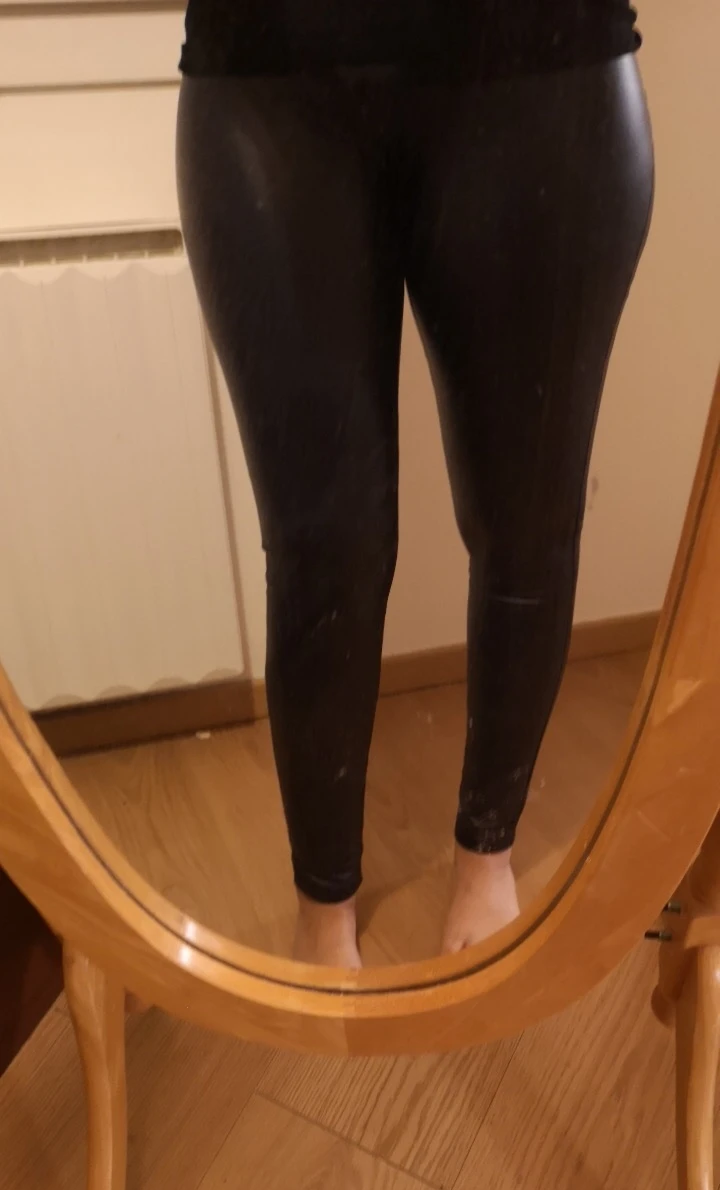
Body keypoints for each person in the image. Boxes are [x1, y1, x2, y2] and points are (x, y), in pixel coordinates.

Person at [176, 2, 654, 968]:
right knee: (322, 548)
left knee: (527, 517)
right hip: (268, 59)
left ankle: (488, 853)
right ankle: (323, 905)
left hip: (544, 52)